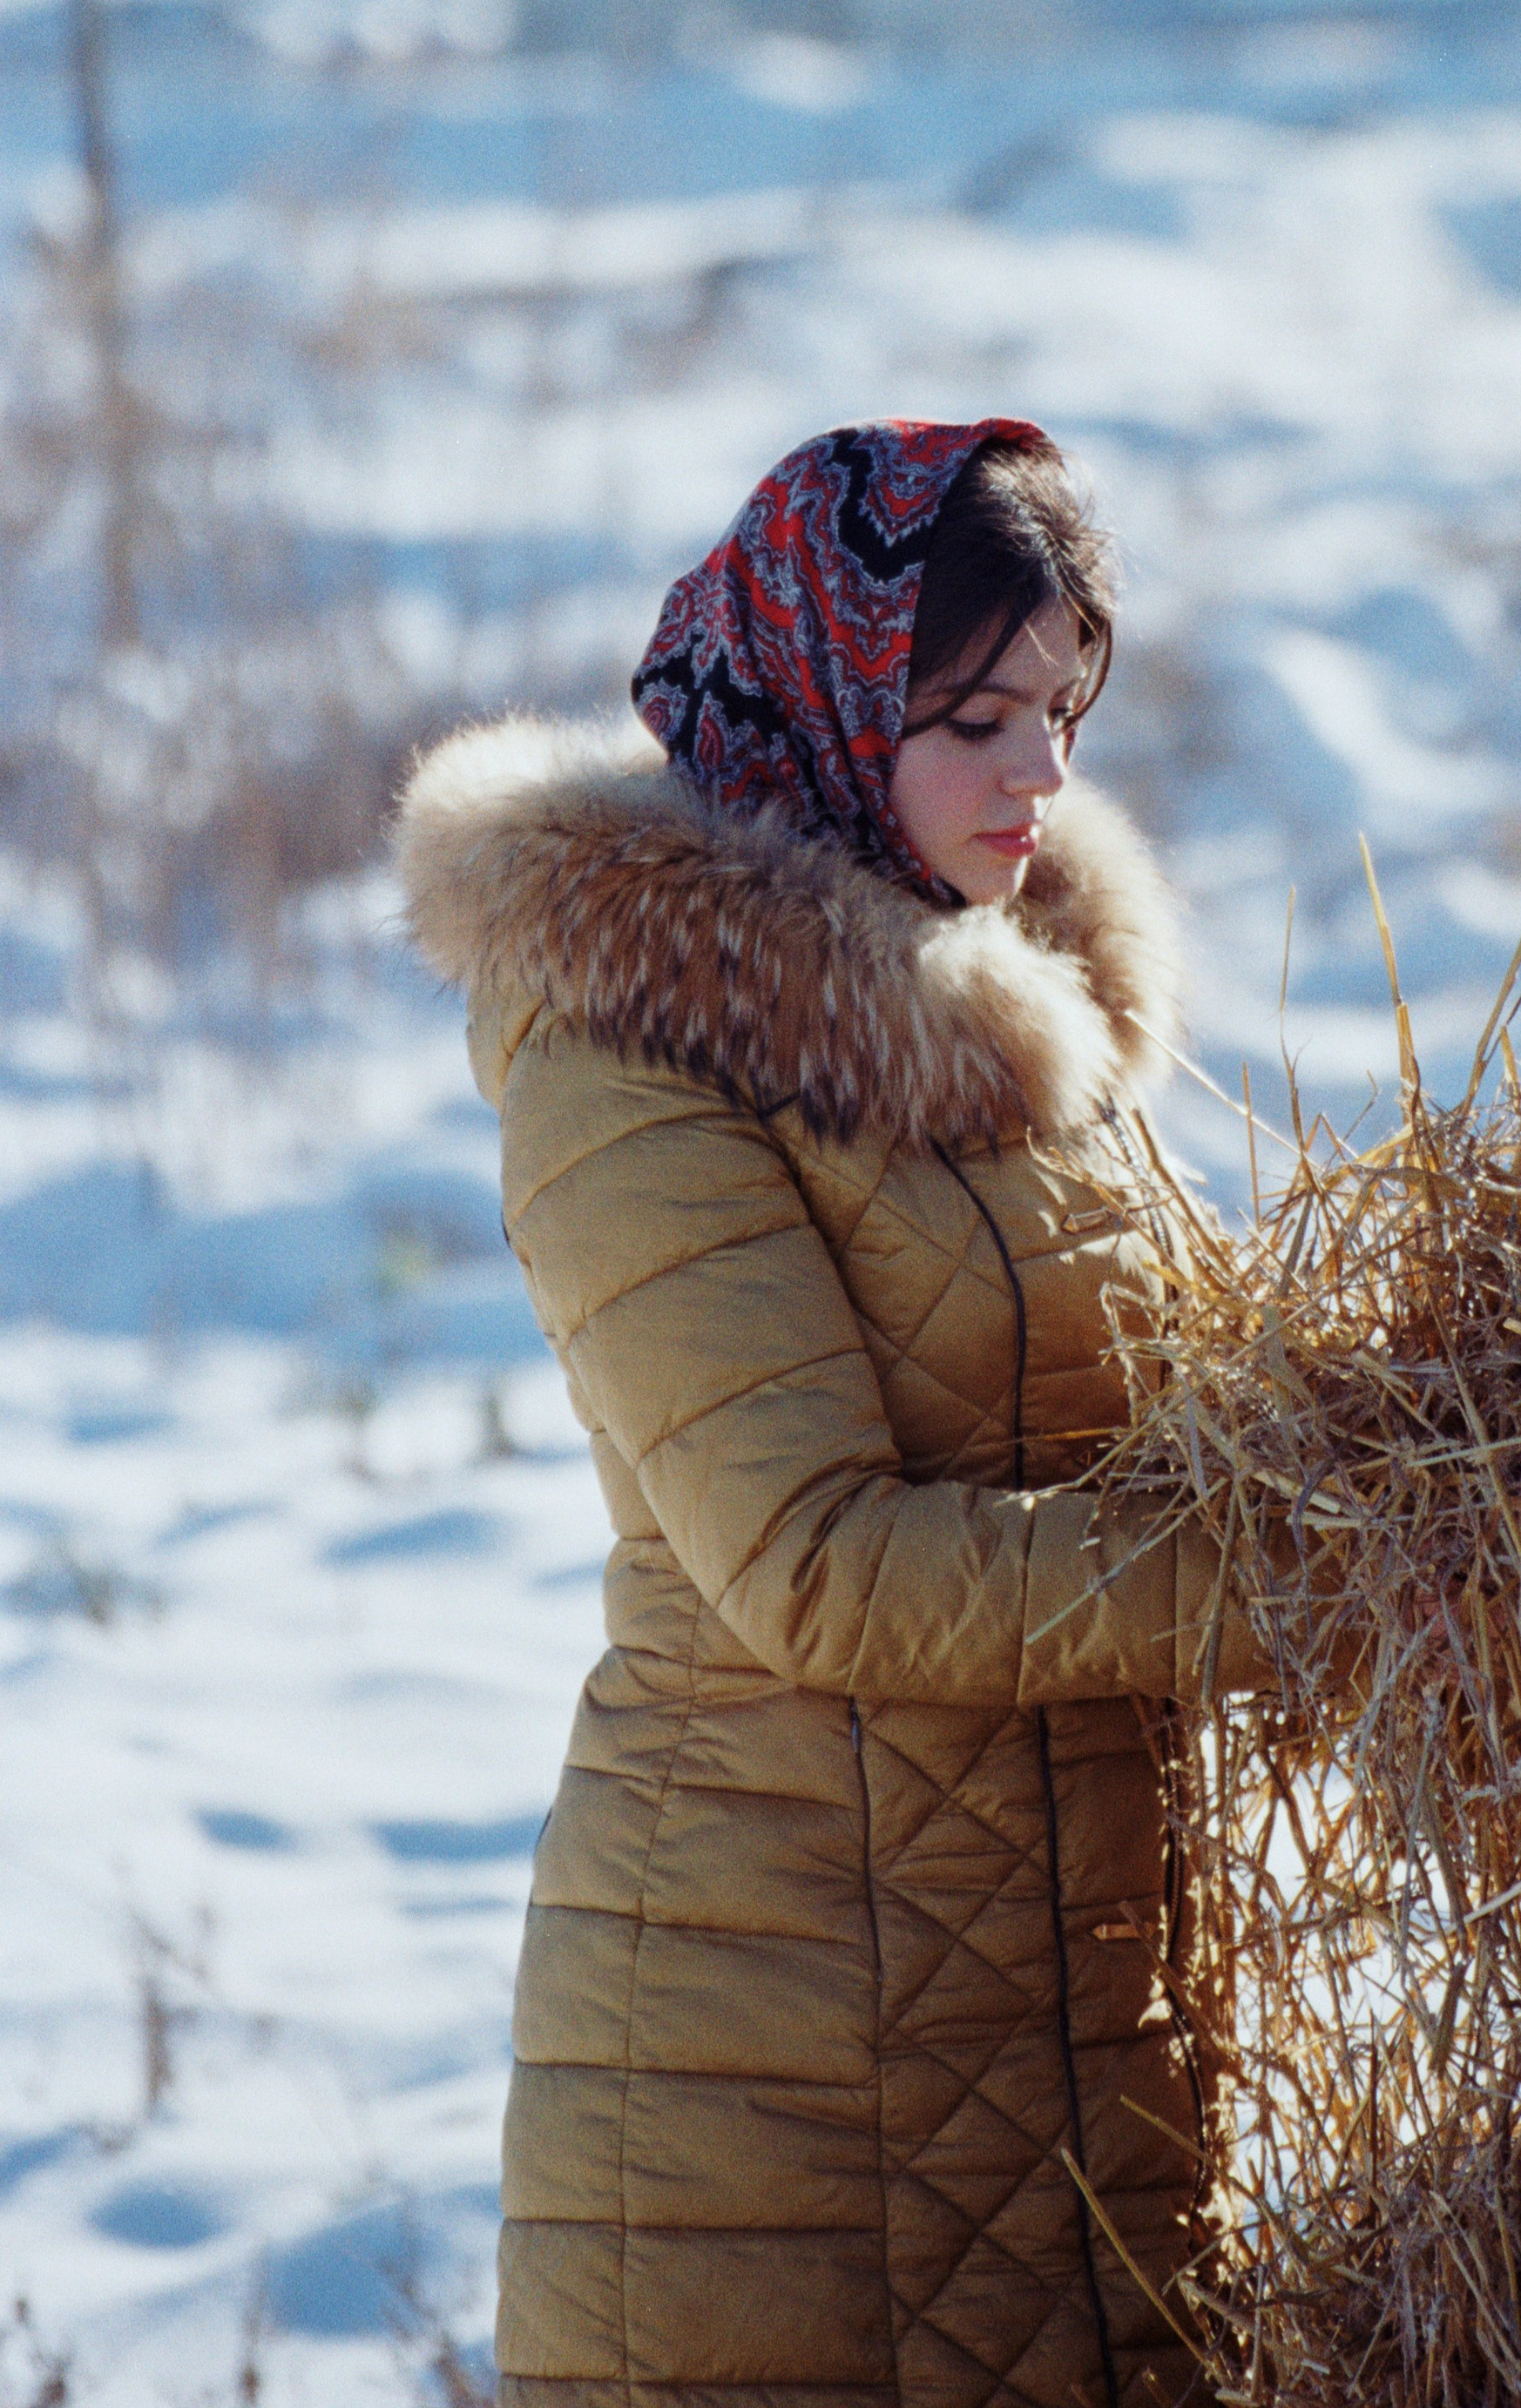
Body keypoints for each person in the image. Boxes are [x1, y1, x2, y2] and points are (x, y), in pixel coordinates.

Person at [395, 416, 1247, 2408]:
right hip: (776, 2063)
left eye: (1060, 708)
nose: (1039, 773)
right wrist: (1271, 1571)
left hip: (1071, 2035)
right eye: (969, 716)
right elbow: (812, 1566)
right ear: (823, 691)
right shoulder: (633, 1036)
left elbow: (1146, 1386)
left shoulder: (1025, 995)